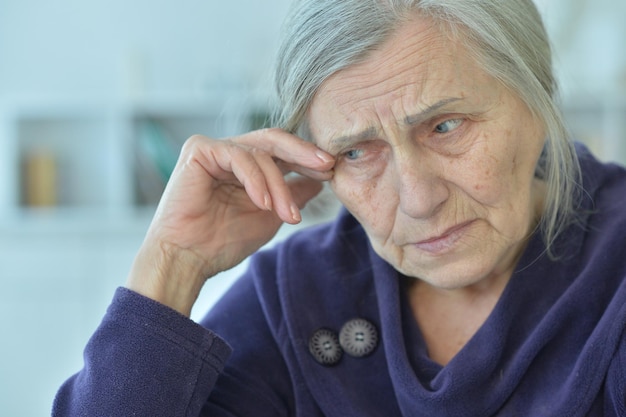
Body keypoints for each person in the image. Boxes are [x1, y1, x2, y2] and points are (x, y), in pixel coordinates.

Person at [53, 0, 626, 415]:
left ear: (537, 95)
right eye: (356, 151)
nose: (418, 200)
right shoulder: (299, 291)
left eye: (445, 126)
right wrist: (173, 261)